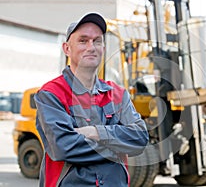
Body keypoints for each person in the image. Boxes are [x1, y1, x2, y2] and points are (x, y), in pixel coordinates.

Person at [34, 12, 149, 187]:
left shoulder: (118, 94)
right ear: (67, 48)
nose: (91, 47)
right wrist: (118, 147)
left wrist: (96, 132)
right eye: (83, 40)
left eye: (97, 41)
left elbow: (140, 138)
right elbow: (64, 147)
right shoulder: (51, 94)